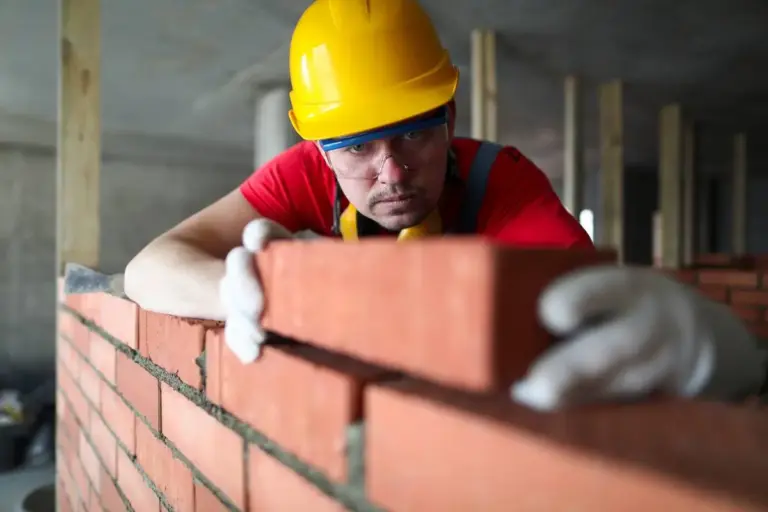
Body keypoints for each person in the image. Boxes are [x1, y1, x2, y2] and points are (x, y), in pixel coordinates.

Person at [124, 0, 766, 410]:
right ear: (317, 148)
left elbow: (593, 307)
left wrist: (720, 357)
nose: (392, 170)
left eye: (412, 132)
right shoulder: (305, 176)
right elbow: (149, 268)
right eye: (356, 147)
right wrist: (244, 292)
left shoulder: (501, 181)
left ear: (449, 116)